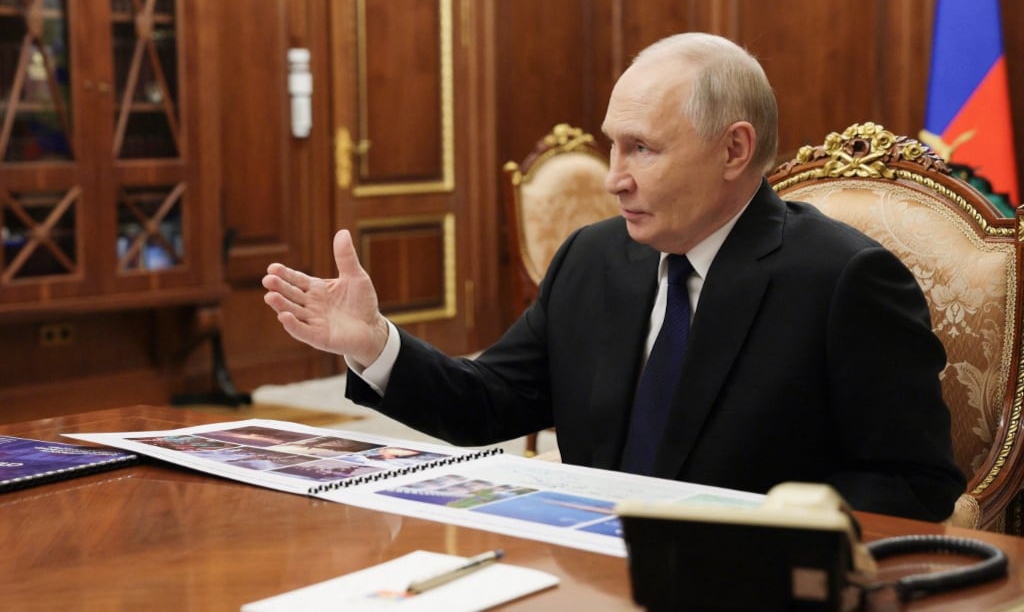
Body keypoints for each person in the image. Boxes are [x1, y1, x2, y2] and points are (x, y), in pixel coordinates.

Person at [263, 32, 965, 521]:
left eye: (642, 149)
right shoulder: (592, 260)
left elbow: (917, 484)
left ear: (734, 149)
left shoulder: (844, 282)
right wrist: (374, 344)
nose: (613, 178)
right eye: (612, 145)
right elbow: (491, 404)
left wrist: (764, 530)